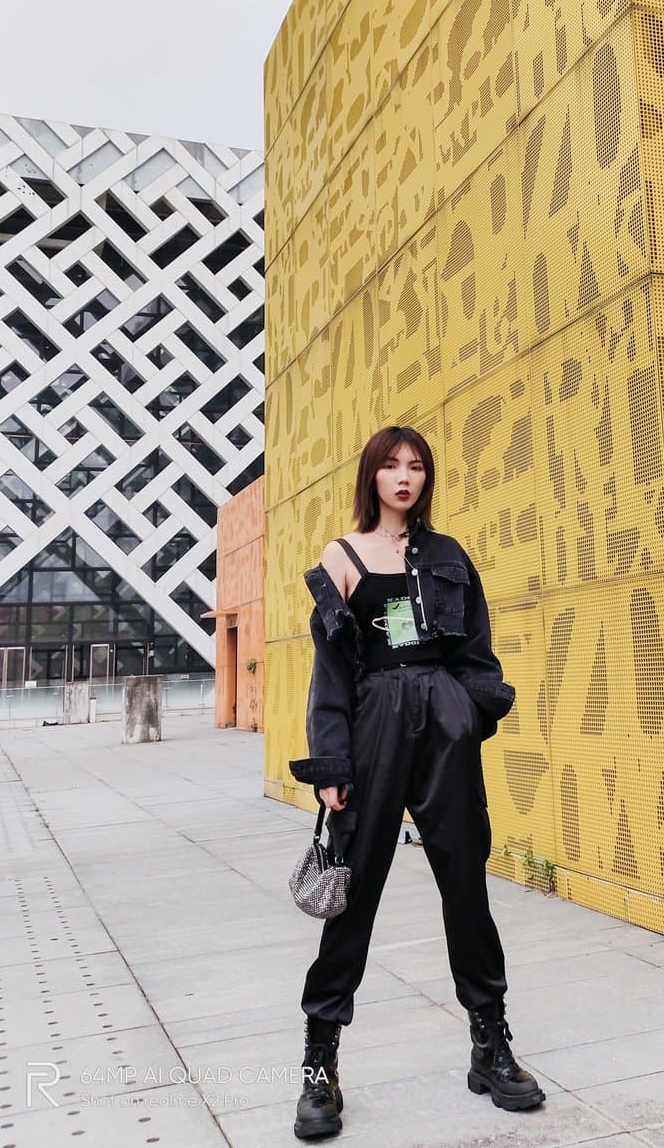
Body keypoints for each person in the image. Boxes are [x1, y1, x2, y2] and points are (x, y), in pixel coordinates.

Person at [288, 425, 546, 1139]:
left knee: (465, 885)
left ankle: (490, 1045)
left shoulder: (448, 555)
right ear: (371, 476)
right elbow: (330, 673)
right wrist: (331, 764)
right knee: (354, 894)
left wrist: (464, 712)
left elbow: (476, 651)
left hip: (443, 726)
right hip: (373, 724)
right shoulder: (341, 557)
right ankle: (319, 1064)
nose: (405, 477)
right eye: (391, 466)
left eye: (417, 467)